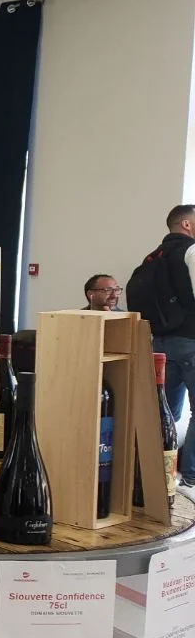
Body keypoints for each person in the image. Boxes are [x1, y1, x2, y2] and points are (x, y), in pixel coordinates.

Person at [145, 205, 195, 486]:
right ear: (186, 224)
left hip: (160, 343)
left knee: (165, 413)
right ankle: (190, 478)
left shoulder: (153, 257)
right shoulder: (191, 251)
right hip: (190, 341)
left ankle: (155, 473)